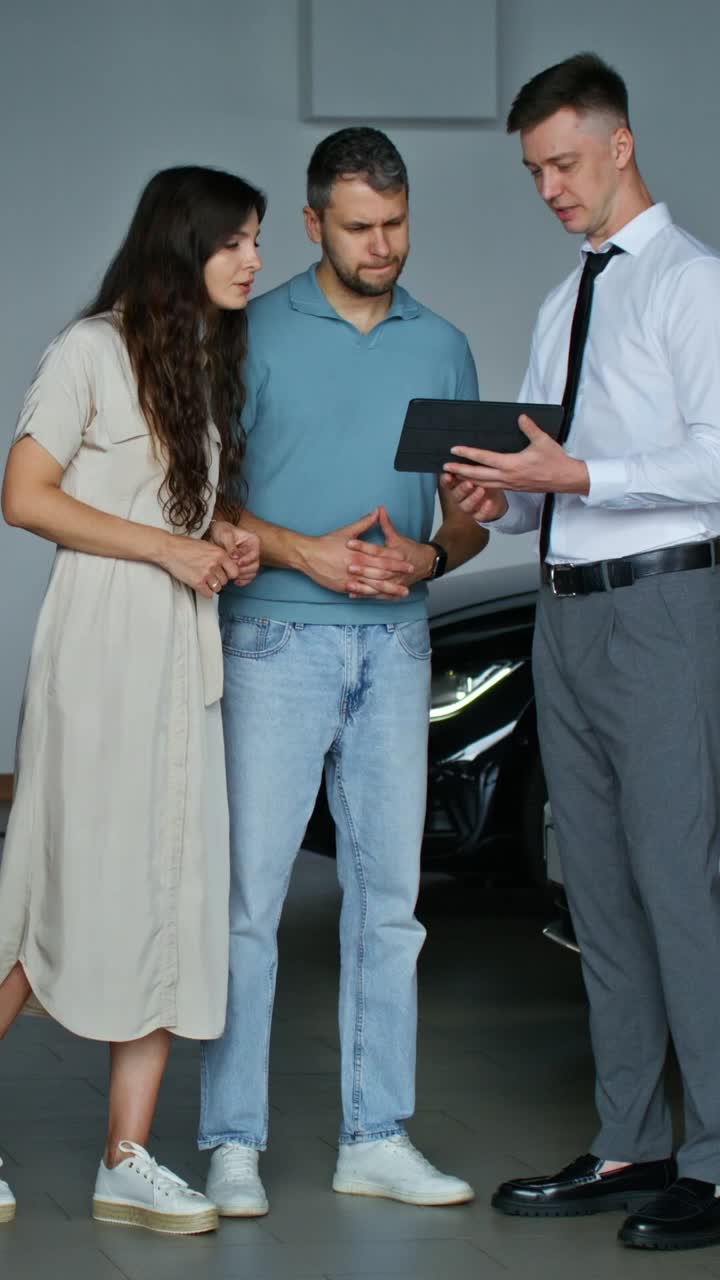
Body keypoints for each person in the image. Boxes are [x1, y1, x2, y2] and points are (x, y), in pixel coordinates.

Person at [443, 52, 720, 1252]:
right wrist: (501, 493)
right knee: (594, 888)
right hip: (567, 610)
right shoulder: (567, 302)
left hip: (664, 610)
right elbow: (543, 462)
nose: (549, 187)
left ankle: (714, 1156)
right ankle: (630, 1138)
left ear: (618, 145)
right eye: (534, 171)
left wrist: (584, 474)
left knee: (679, 885)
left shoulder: (694, 285)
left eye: (563, 162)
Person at [199, 127, 486, 1214]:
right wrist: (302, 547)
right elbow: (198, 501)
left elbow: (466, 519)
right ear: (312, 224)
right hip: (275, 636)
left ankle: (376, 1131)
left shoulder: (442, 344)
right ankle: (232, 1140)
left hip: (399, 639)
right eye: (360, 227)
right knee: (249, 902)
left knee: (391, 901)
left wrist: (431, 553)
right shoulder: (248, 334)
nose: (383, 245)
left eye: (396, 225)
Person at [0, 165, 264, 1234]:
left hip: (176, 654)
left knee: (171, 888)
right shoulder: (92, 349)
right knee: (50, 884)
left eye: (257, 241)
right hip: (101, 648)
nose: (252, 260)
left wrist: (219, 542)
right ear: (181, 242)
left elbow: (171, 511)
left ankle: (126, 1156)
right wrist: (168, 546)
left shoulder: (195, 362)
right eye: (234, 240)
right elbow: (22, 494)